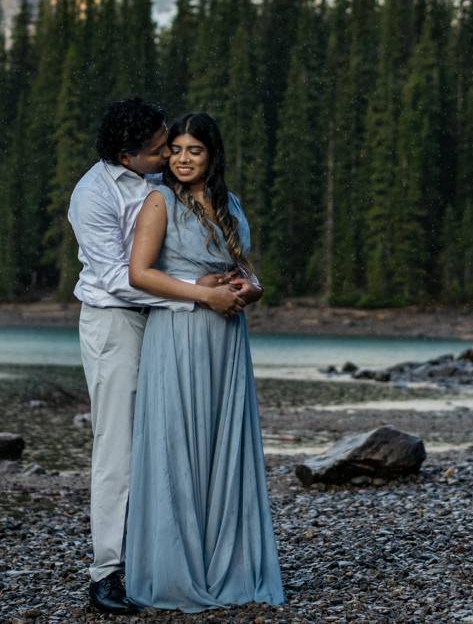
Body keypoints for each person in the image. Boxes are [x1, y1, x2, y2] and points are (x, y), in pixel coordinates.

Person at [68, 99, 247, 616]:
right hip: (115, 321)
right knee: (118, 445)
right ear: (127, 157)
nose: (170, 153)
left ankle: (170, 555)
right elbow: (118, 280)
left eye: (171, 141)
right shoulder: (92, 197)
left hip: (171, 322)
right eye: (158, 150)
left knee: (170, 437)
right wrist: (197, 293)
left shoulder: (166, 186)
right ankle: (108, 571)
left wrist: (224, 285)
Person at [122, 111, 285, 612]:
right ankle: (176, 571)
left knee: (222, 446)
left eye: (195, 150)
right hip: (178, 334)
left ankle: (228, 565)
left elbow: (242, 270)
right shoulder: (159, 200)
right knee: (178, 445)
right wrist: (201, 294)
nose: (183, 159)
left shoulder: (228, 202)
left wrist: (249, 289)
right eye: (175, 150)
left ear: (212, 155)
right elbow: (139, 274)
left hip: (227, 339)